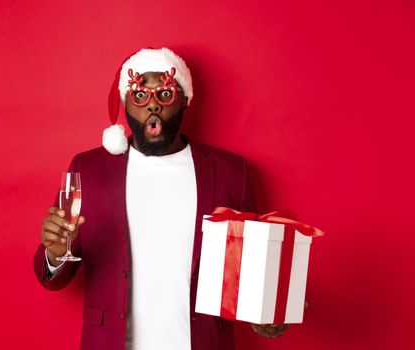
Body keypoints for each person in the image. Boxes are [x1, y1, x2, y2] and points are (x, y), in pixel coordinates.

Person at [33, 48, 288, 350]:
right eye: (140, 96)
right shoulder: (88, 169)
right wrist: (56, 254)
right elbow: (52, 278)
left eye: (164, 93)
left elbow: (251, 267)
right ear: (126, 104)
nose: (152, 105)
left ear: (185, 100)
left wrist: (267, 309)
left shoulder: (232, 172)